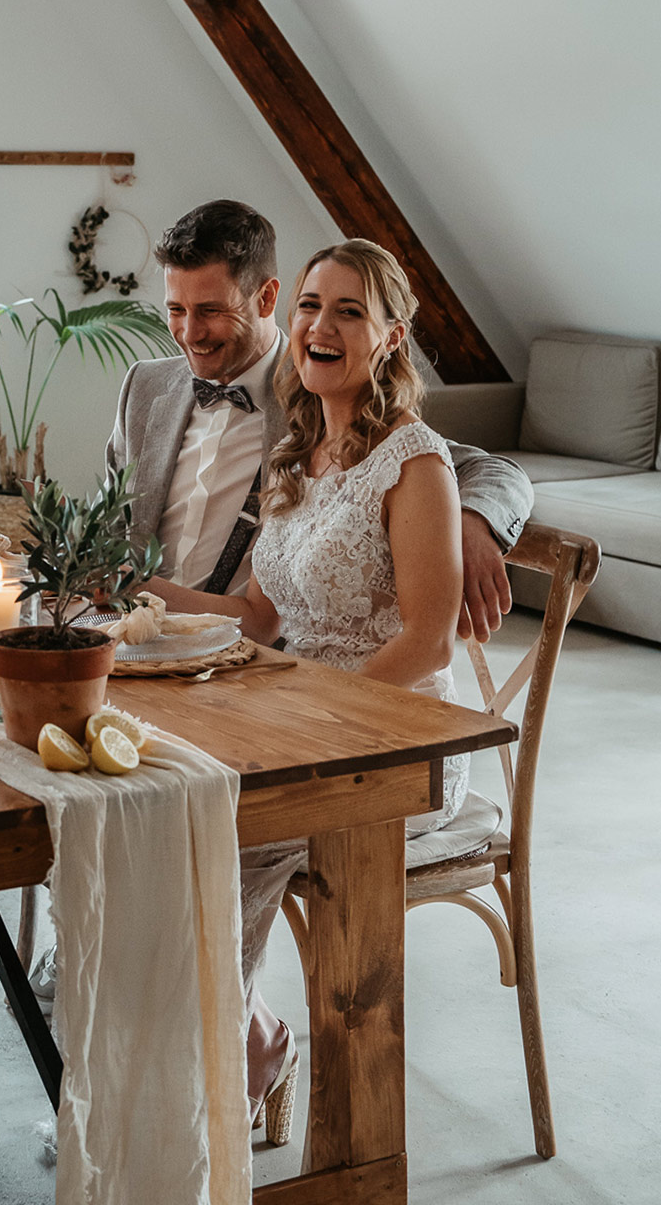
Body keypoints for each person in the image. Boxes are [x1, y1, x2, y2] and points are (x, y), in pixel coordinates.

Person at [141, 235, 484, 1144]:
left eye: (348, 311)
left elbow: (427, 638)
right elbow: (254, 615)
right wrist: (135, 595)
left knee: (210, 831)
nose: (320, 326)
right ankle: (244, 1041)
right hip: (294, 722)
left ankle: (210, 1082)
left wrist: (315, 718)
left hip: (393, 743)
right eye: (310, 306)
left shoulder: (415, 463)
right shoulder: (299, 453)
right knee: (154, 808)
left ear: (390, 337)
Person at [107, 201, 531, 641]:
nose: (190, 333)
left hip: (249, 656)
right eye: (176, 310)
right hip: (132, 639)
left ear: (267, 298)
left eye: (211, 311)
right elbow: (114, 528)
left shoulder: (323, 387)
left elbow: (480, 467)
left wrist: (475, 522)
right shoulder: (146, 386)